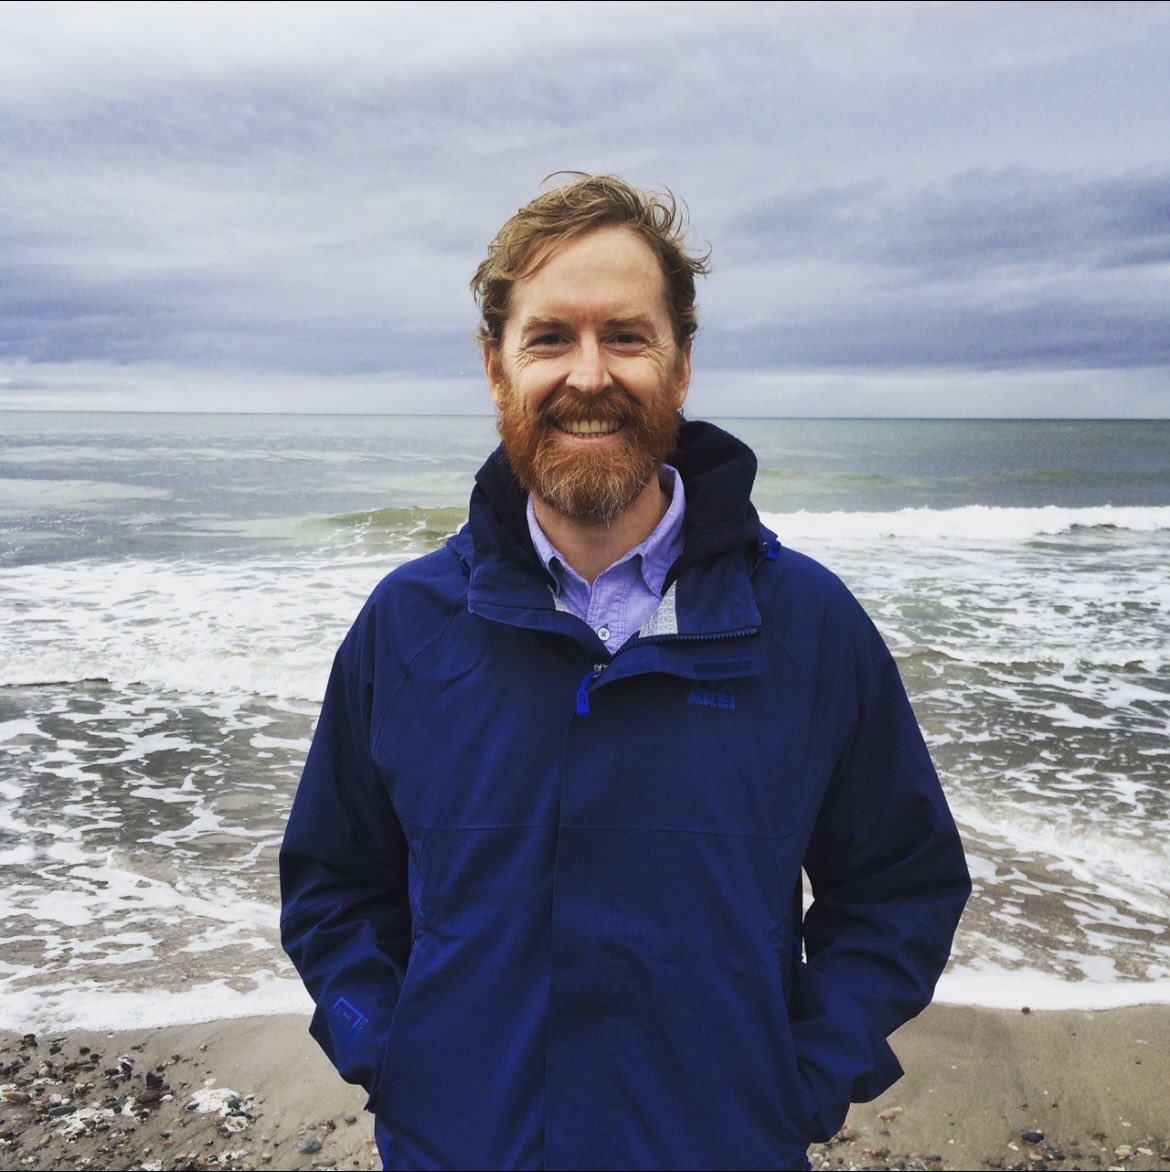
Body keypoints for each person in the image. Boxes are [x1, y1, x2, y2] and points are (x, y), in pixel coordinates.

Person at [280, 173, 970, 1171]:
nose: (589, 373)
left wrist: (804, 1073)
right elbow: (334, 882)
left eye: (628, 336)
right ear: (495, 366)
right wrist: (394, 1053)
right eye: (551, 337)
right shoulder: (408, 626)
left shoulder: (806, 625)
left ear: (682, 366)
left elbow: (901, 884)